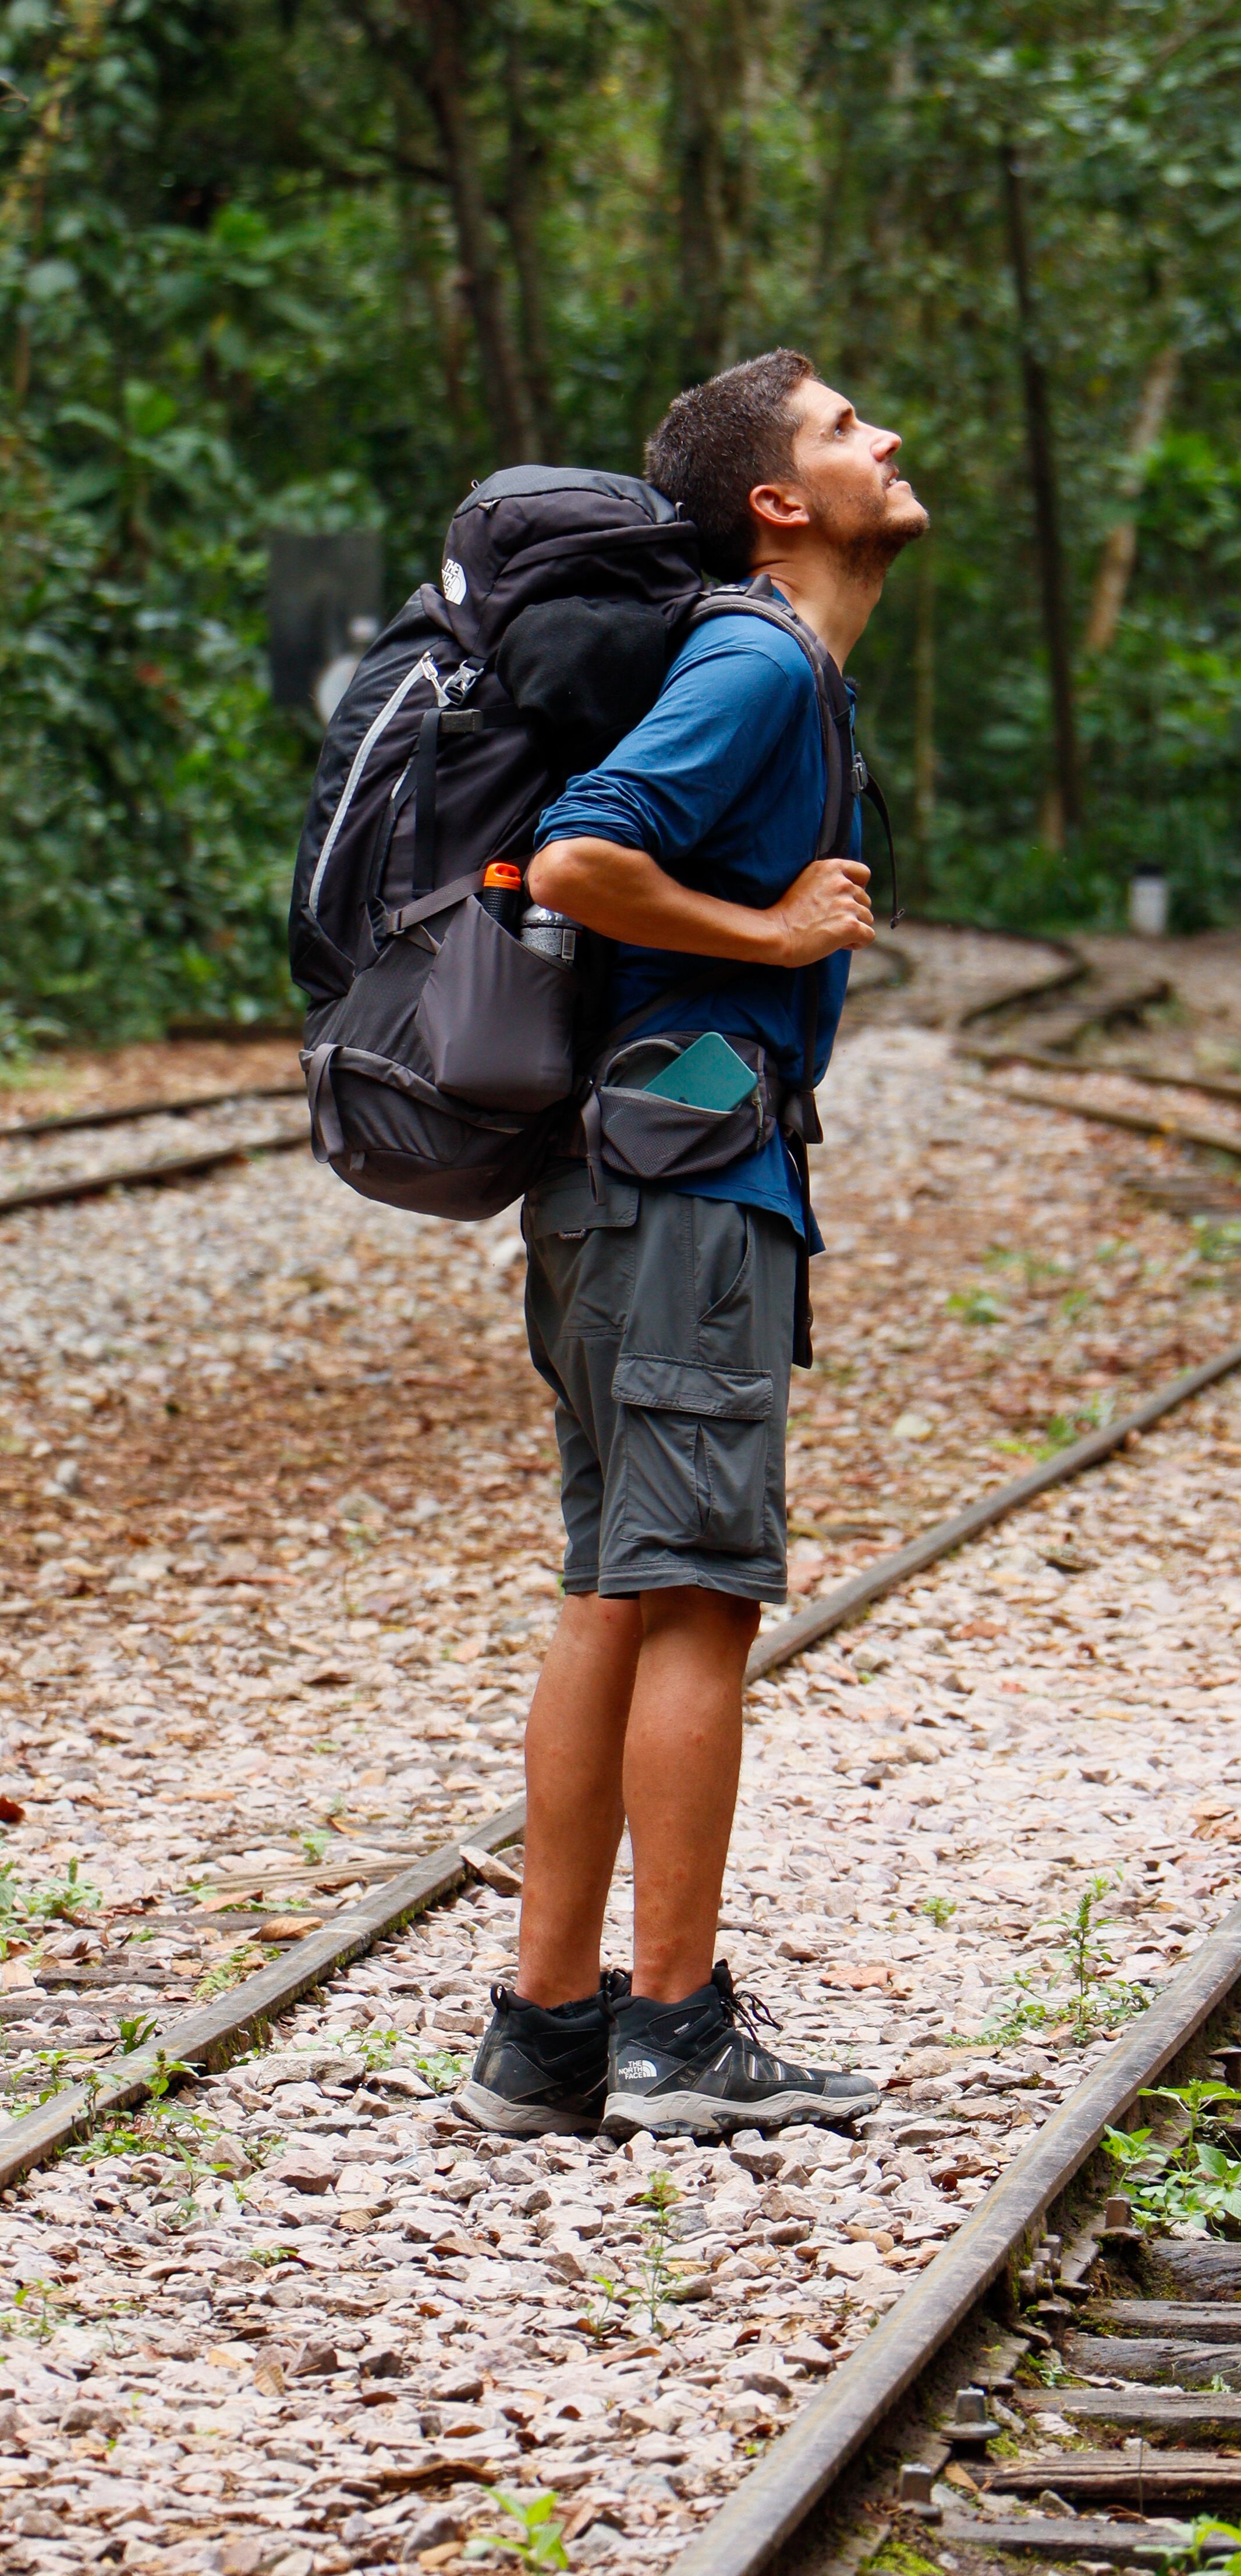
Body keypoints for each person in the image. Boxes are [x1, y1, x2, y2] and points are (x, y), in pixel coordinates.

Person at [458, 350, 928, 2142]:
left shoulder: (764, 660)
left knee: (617, 1587)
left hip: (617, 1181)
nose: (881, 438)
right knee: (700, 1600)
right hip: (685, 1186)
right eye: (840, 428)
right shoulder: (757, 656)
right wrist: (777, 934)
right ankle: (673, 2029)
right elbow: (580, 863)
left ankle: (548, 2036)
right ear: (779, 505)